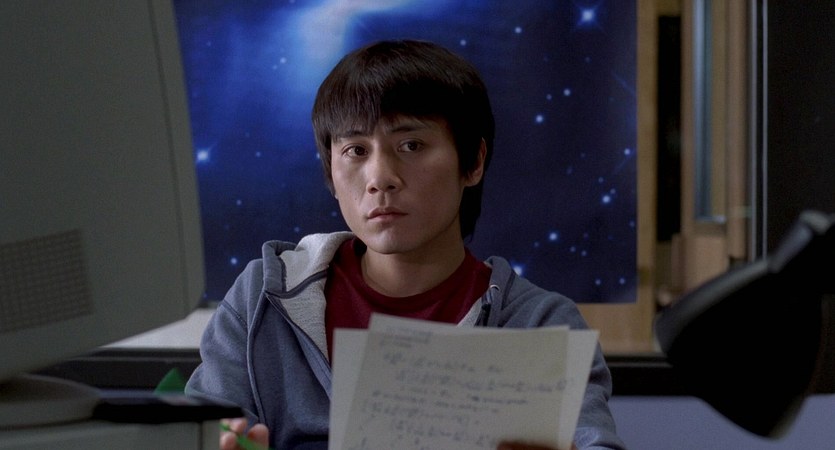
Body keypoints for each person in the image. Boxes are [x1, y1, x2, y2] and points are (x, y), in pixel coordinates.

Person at [186, 39, 626, 450]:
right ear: (330, 172)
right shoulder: (262, 297)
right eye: (356, 151)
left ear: (473, 162)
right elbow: (204, 430)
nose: (380, 178)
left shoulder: (539, 325)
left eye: (411, 145)